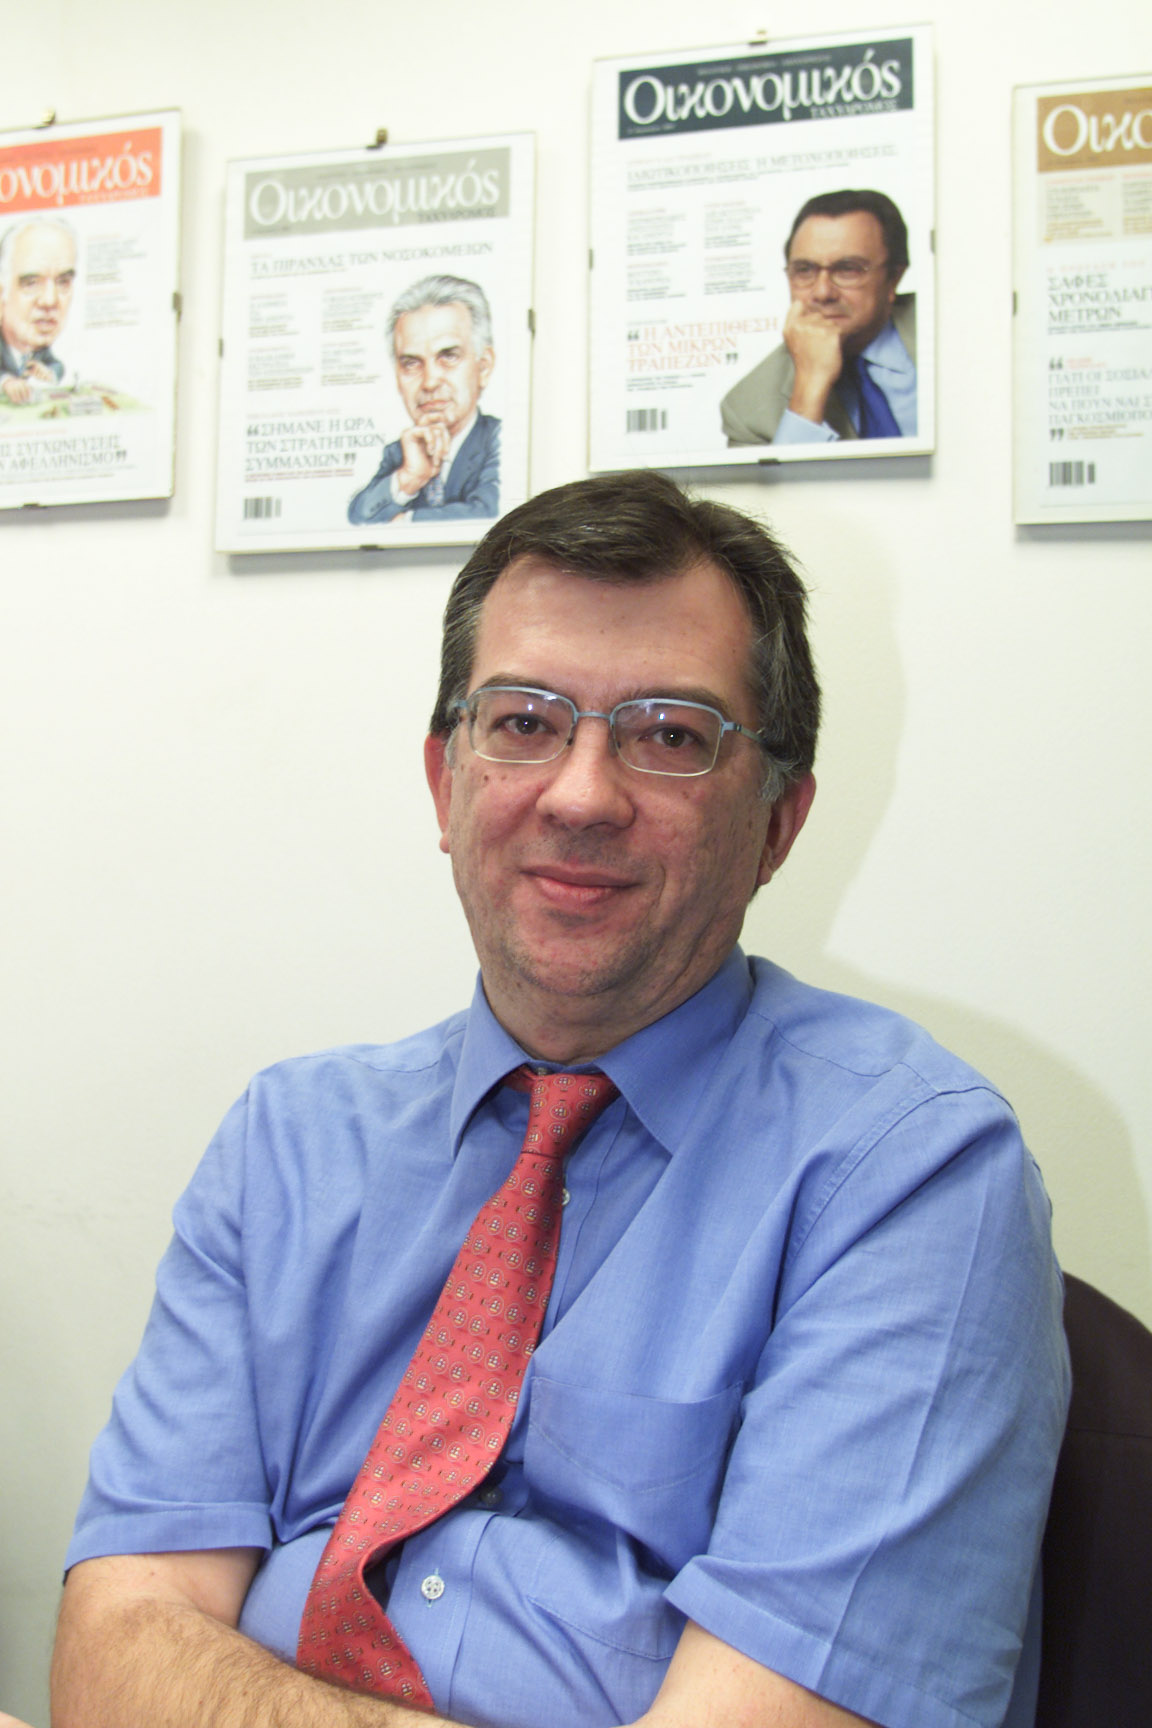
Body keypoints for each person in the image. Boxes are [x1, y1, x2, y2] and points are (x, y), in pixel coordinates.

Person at [52, 471, 1068, 1728]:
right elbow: (110, 1647)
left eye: (669, 735)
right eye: (525, 722)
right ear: (445, 784)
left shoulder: (911, 1174)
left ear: (779, 822)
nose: (581, 794)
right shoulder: (290, 1146)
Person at [721, 190, 916, 447]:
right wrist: (809, 388)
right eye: (804, 270)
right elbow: (789, 476)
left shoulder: (952, 325)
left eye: (848, 269)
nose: (823, 293)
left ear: (894, 278)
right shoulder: (746, 410)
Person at [348, 274, 500, 525]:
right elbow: (357, 518)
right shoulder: (400, 453)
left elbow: (491, 513)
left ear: (483, 367)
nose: (429, 382)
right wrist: (410, 477)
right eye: (411, 363)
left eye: (448, 357)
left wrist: (403, 522)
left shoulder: (497, 439)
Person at [0, 216, 77, 405]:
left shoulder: (38, 348)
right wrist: (6, 381)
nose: (50, 301)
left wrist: (48, 373)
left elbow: (57, 365)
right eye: (31, 283)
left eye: (63, 282)